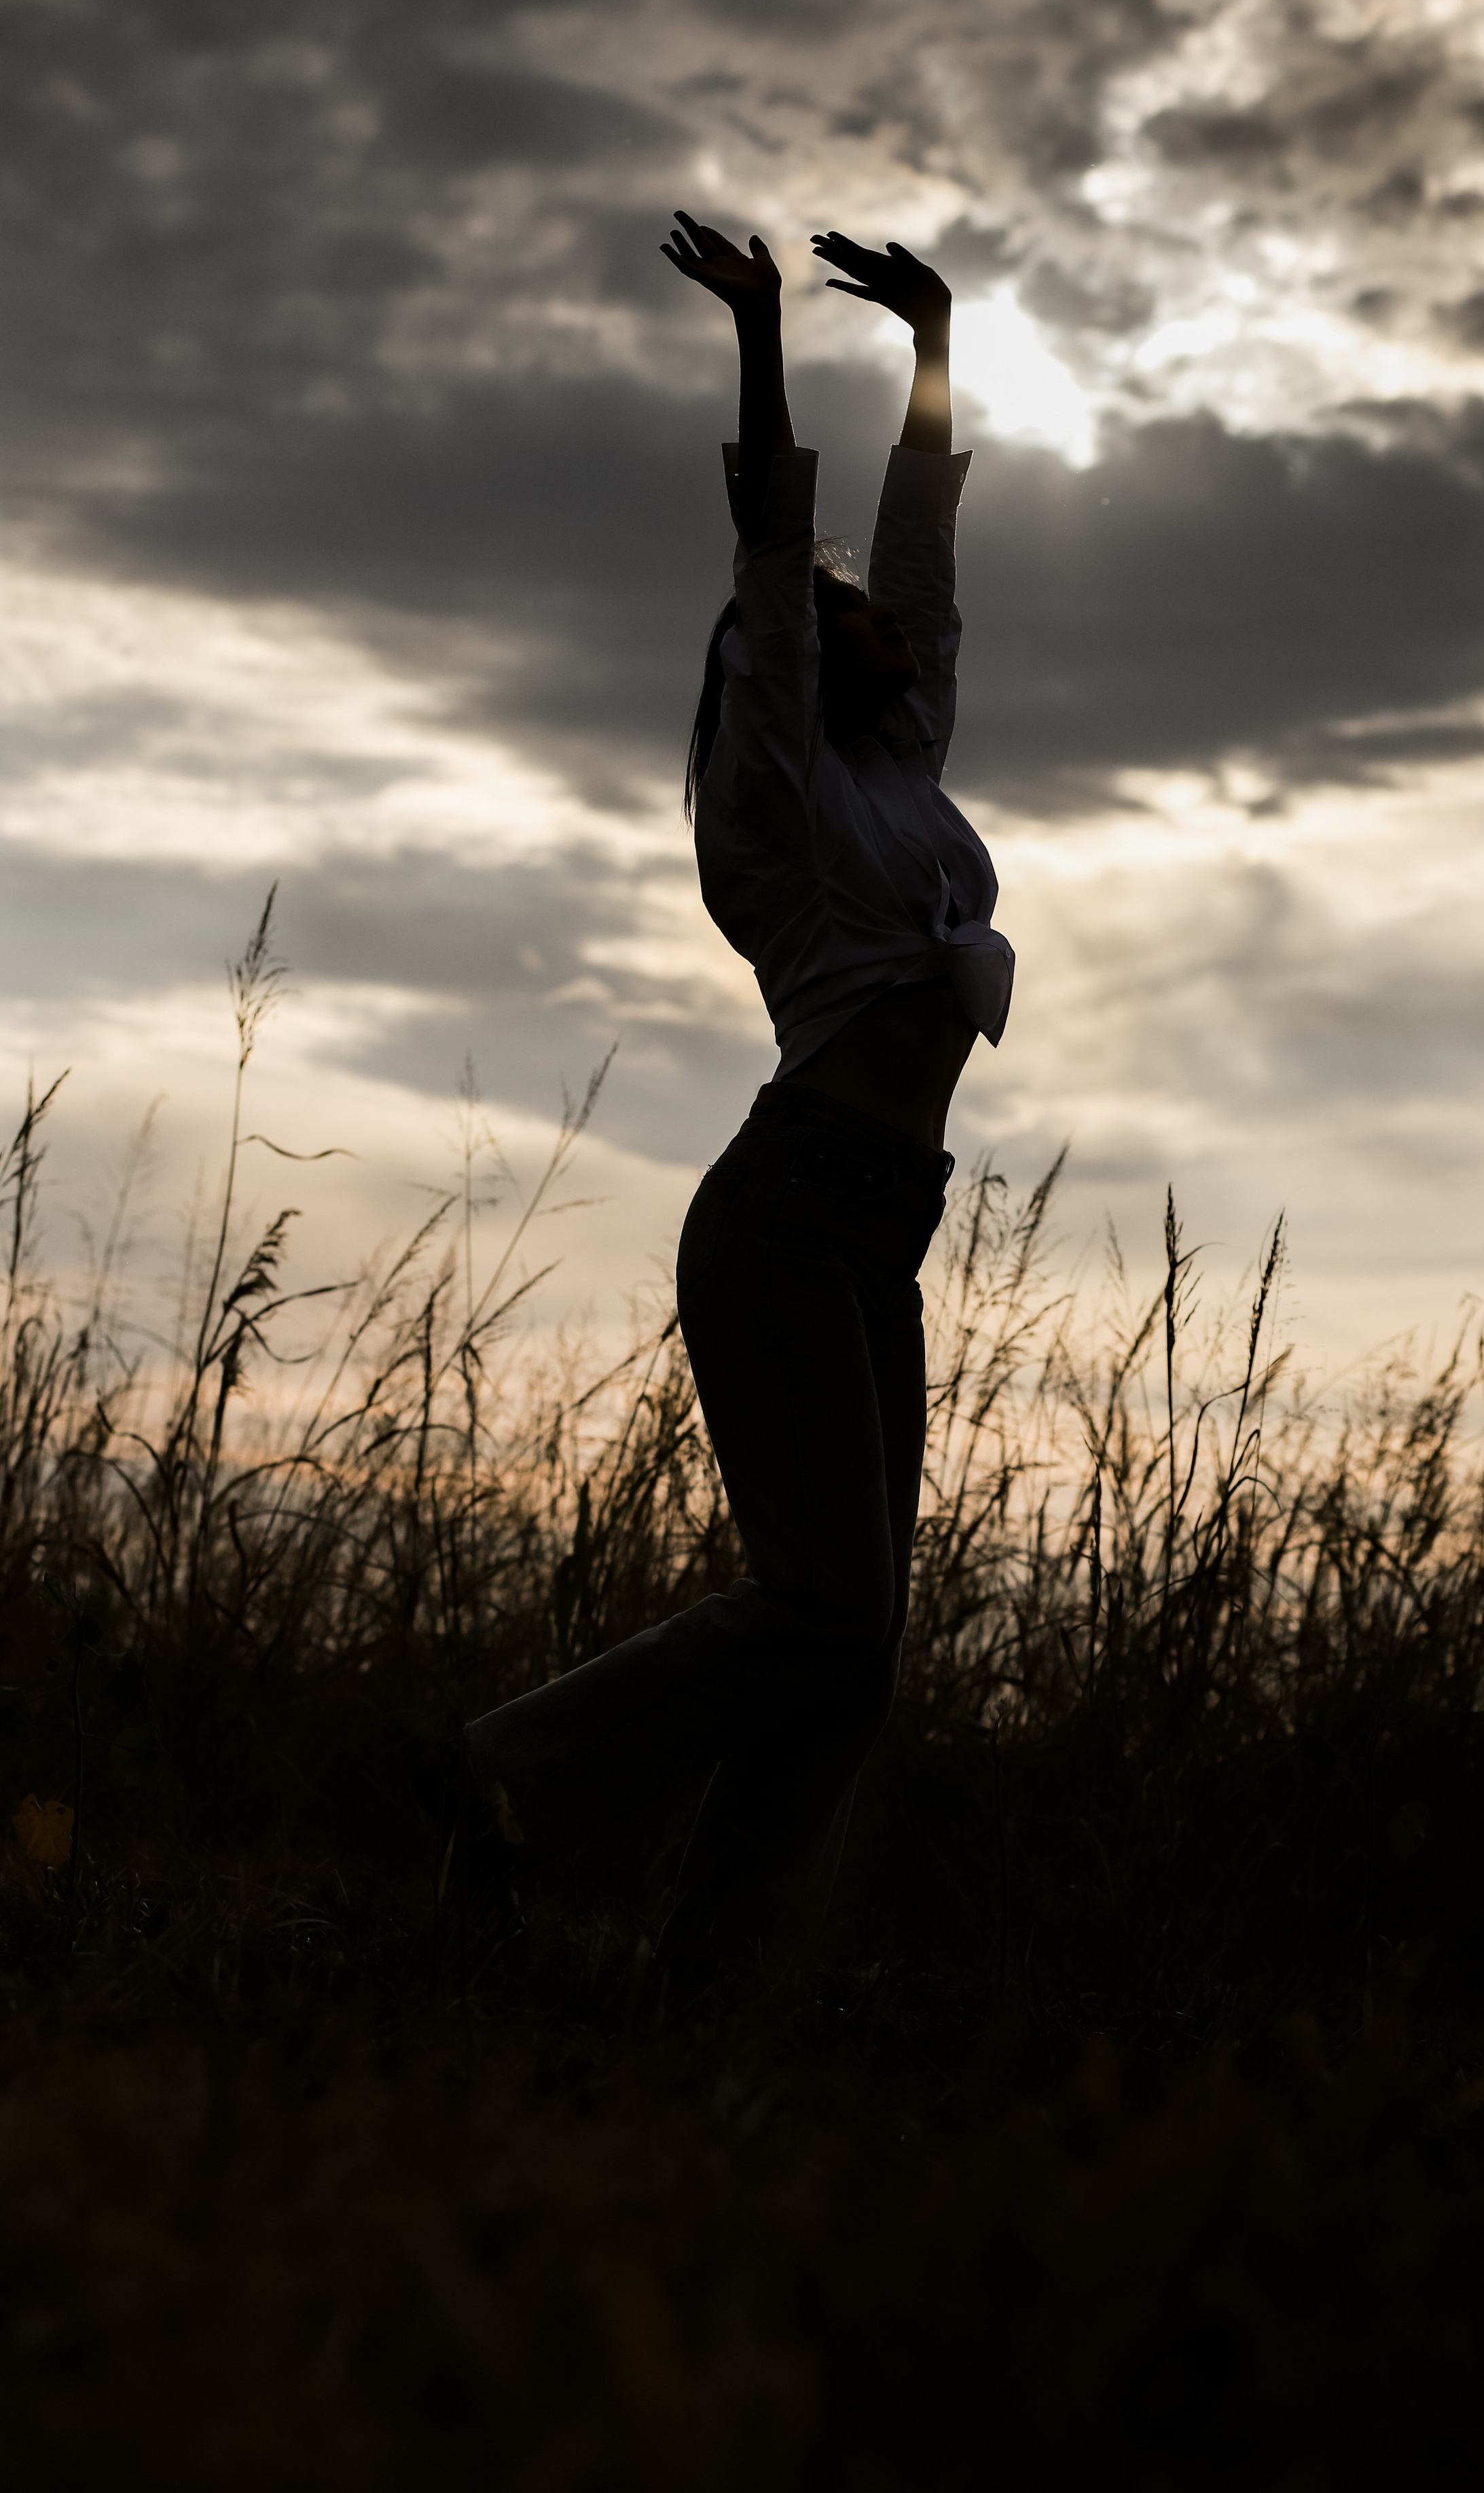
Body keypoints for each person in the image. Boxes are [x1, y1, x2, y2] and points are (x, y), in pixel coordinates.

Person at [460, 213, 1014, 1956]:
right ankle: (509, 1770)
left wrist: (934, 346)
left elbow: (912, 566)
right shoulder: (773, 818)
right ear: (781, 662)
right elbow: (781, 568)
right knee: (819, 1603)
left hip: (881, 1236)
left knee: (857, 1650)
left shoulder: (901, 775)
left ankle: (713, 1986)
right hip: (782, 1220)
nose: (885, 633)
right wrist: (762, 339)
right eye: (844, 623)